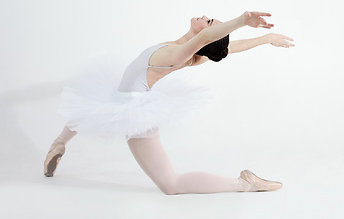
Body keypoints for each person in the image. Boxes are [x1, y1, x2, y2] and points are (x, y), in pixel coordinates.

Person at [44, 11, 295, 195]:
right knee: (94, 103)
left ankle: (243, 184)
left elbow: (210, 38)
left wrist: (242, 20)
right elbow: (230, 47)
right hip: (122, 98)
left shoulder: (179, 54)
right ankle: (59, 145)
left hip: (135, 109)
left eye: (209, 23)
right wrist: (266, 37)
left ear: (205, 36)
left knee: (170, 185)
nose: (206, 17)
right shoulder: (185, 49)